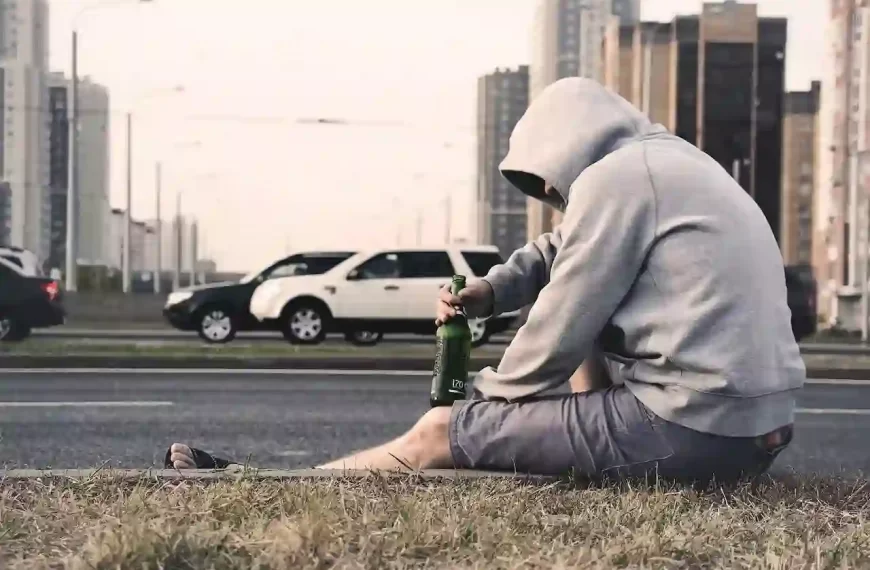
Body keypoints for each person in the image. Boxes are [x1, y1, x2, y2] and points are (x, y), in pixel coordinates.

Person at [167, 78, 804, 483]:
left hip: (696, 433)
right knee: (527, 408)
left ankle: (269, 484)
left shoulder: (619, 181)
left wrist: (476, 401)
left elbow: (562, 319)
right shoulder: (672, 166)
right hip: (758, 430)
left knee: (442, 435)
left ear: (564, 143)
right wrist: (493, 290)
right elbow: (563, 250)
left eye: (547, 179)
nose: (552, 195)